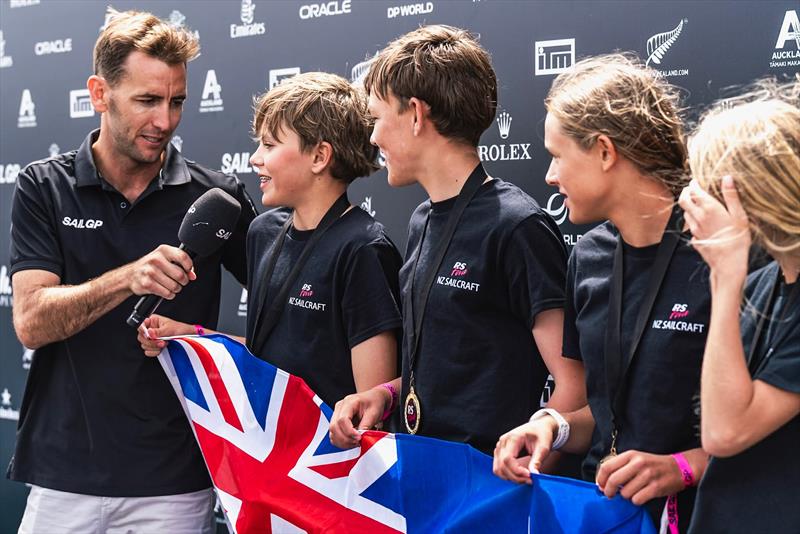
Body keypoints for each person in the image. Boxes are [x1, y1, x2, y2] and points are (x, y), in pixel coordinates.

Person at [7, 9, 257, 533]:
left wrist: (201, 337)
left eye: (177, 101)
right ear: (100, 94)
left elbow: (288, 320)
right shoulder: (43, 187)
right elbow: (30, 321)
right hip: (63, 478)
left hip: (175, 483)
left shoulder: (217, 198)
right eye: (147, 100)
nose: (165, 121)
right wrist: (128, 278)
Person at [328, 25, 584, 458]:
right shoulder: (422, 219)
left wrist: (514, 481)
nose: (372, 138)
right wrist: (386, 395)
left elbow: (573, 388)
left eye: (376, 118)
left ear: (415, 114)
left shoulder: (517, 226)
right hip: (423, 483)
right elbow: (451, 366)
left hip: (486, 500)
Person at [493, 54, 710, 531]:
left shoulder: (722, 250)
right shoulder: (587, 255)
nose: (549, 176)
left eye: (557, 154)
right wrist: (553, 426)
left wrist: (685, 466)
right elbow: (604, 414)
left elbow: (772, 420)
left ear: (606, 152)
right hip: (606, 514)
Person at [139, 72, 402, 410]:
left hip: (330, 459)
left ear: (320, 157)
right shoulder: (262, 232)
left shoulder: (363, 249)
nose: (255, 158)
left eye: (270, 144)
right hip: (271, 454)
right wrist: (190, 334)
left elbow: (370, 409)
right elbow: (268, 355)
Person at [678, 79, 800, 534]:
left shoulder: (742, 281)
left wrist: (726, 275)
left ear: (748, 196)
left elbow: (725, 433)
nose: (691, 202)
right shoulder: (764, 282)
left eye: (706, 188)